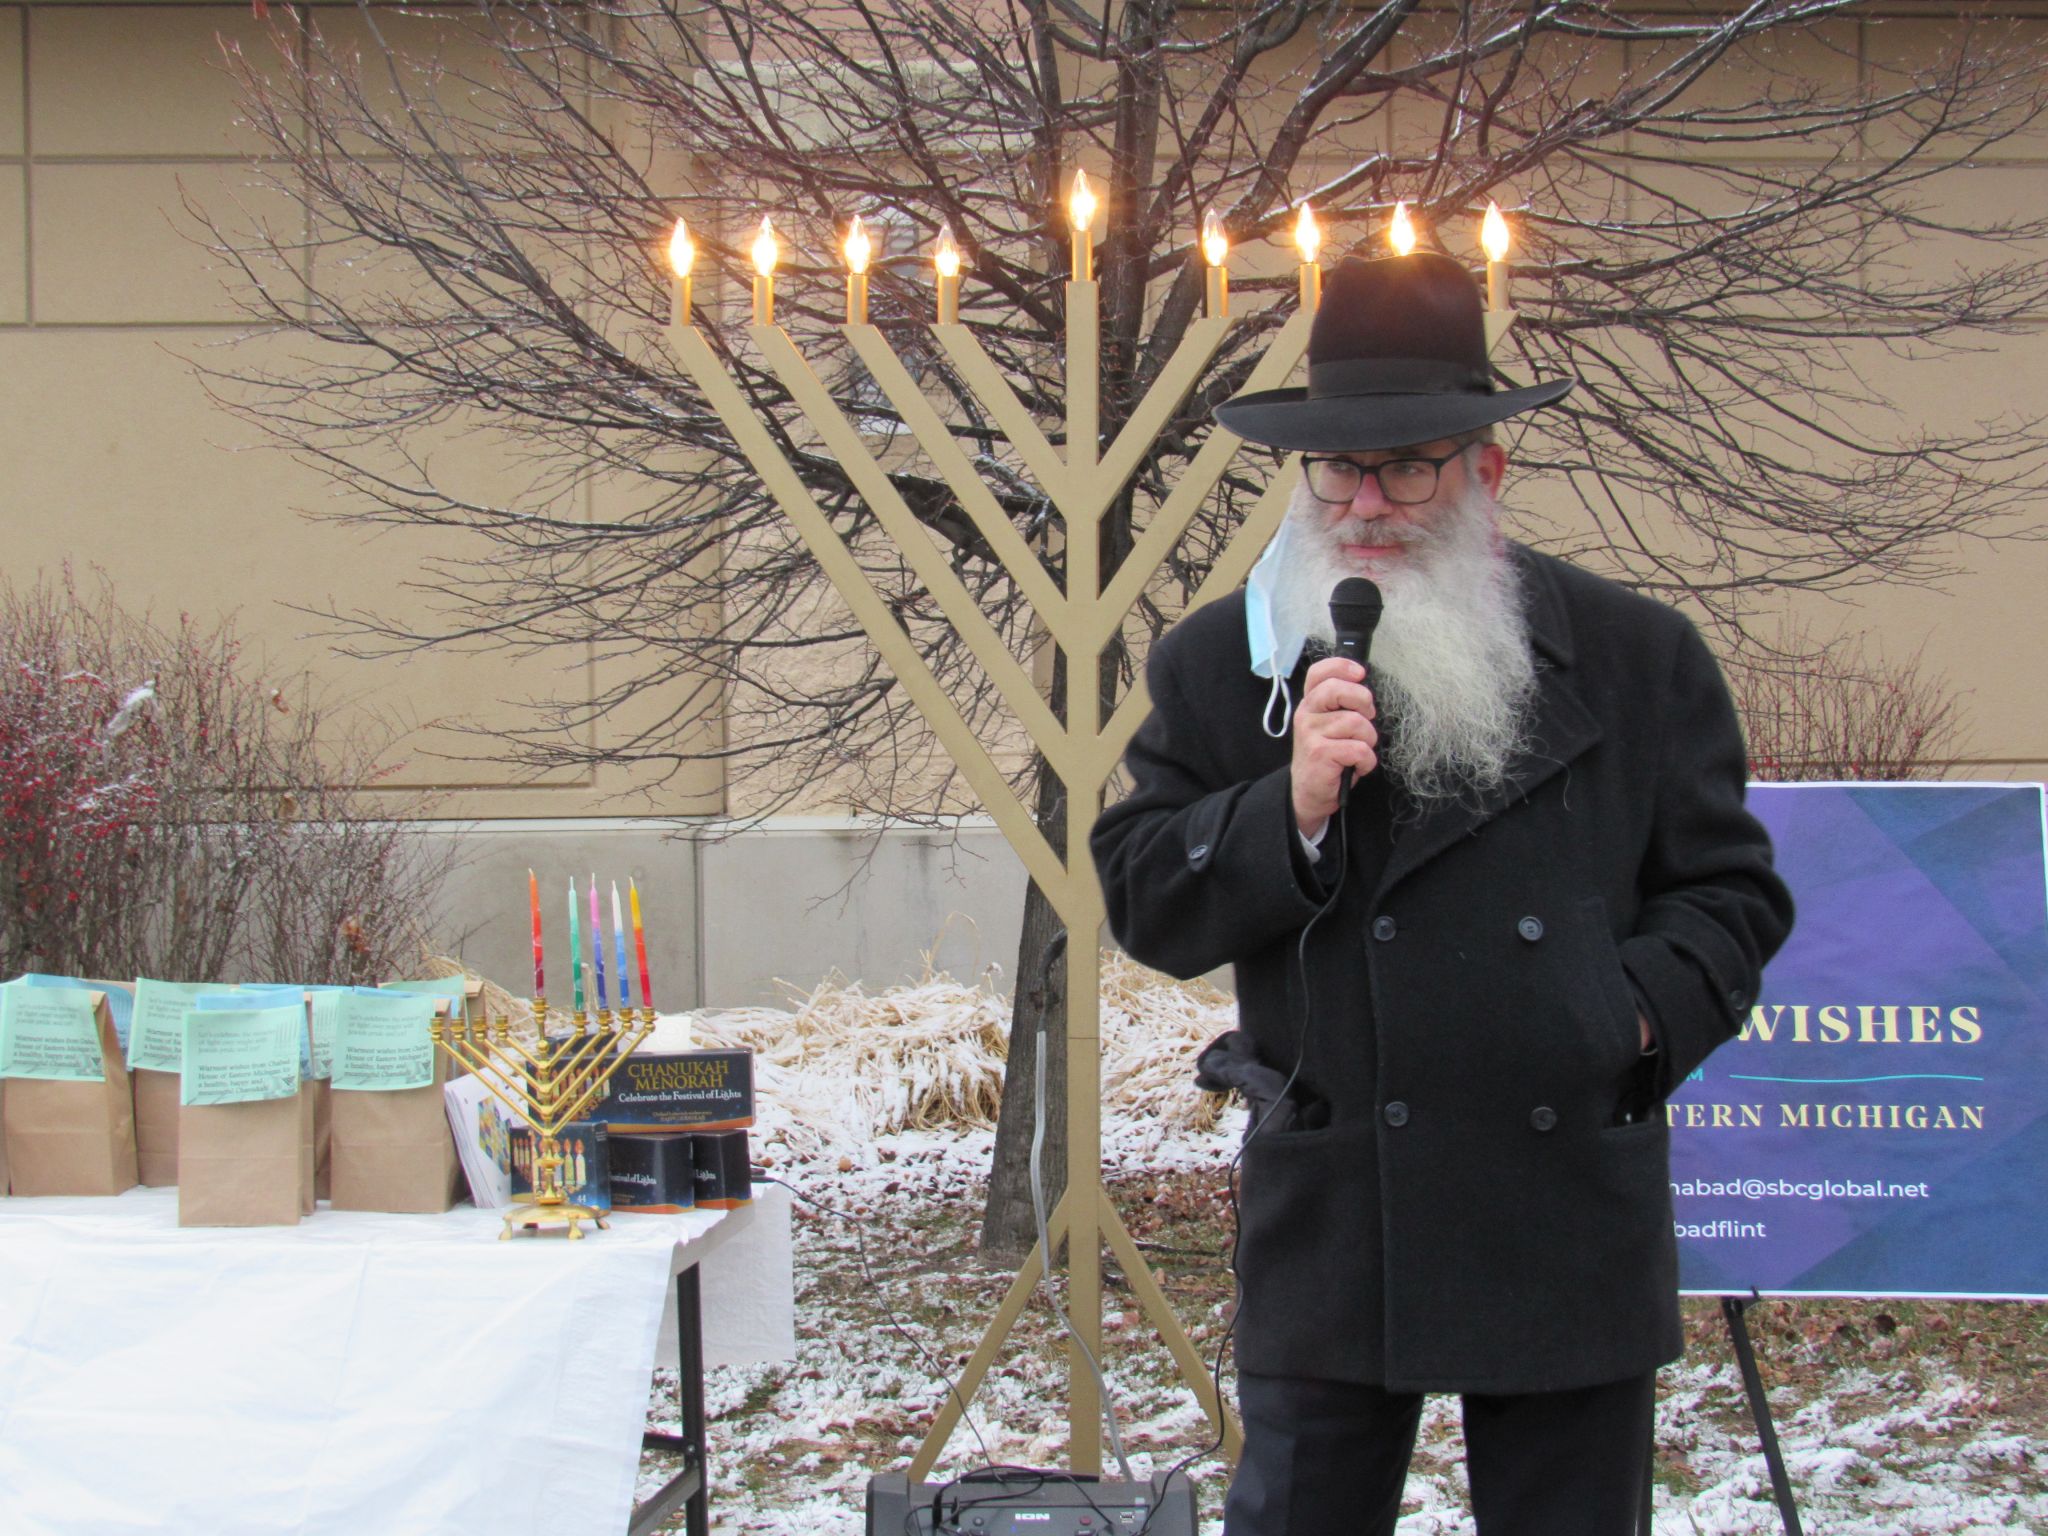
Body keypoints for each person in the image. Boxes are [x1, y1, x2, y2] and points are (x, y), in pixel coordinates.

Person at [1090, 252, 1795, 1535]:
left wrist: (1619, 1017)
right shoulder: (1218, 667)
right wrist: (1283, 808)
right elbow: (1142, 895)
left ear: (1485, 469)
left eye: (1408, 463)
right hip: (1337, 1209)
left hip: (1564, 1202)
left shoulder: (1638, 657)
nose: (1368, 501)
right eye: (1338, 469)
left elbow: (1730, 895)